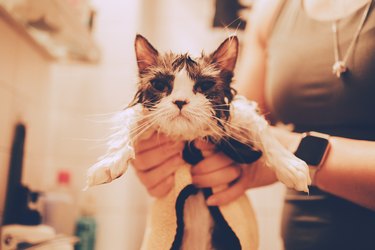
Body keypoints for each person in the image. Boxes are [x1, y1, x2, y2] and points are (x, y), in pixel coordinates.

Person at [132, 0, 375, 249]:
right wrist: (157, 146)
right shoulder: (273, 8)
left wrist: (299, 151)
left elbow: (269, 142)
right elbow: (236, 120)